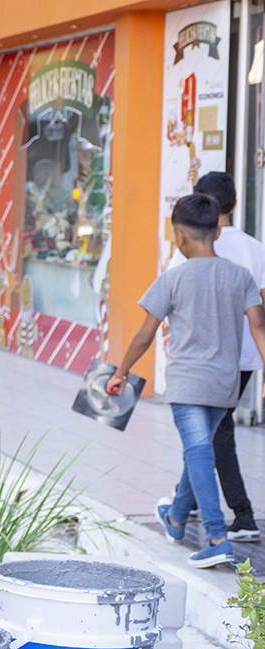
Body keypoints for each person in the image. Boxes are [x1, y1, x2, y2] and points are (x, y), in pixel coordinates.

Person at [107, 193, 265, 569]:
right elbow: (259, 327)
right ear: (216, 230)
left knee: (198, 452)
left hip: (188, 383)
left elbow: (144, 335)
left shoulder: (172, 278)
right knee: (200, 451)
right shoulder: (240, 276)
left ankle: (216, 537)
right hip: (225, 384)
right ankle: (176, 519)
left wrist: (121, 371)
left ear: (179, 237)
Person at [191, 171, 264, 539]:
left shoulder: (200, 242)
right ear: (233, 203)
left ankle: (244, 515)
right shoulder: (255, 247)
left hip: (209, 354)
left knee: (214, 432)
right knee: (206, 428)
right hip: (247, 356)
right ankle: (183, 502)